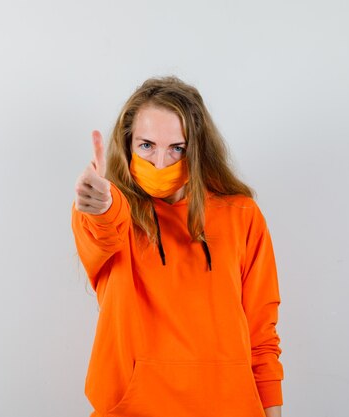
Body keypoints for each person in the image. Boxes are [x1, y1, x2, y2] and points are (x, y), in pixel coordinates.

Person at [72, 76, 283, 417]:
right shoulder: (113, 210)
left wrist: (273, 411)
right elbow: (102, 229)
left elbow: (262, 331)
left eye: (177, 148)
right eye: (146, 145)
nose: (160, 162)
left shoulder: (242, 214)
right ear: (128, 145)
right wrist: (101, 205)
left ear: (197, 148)